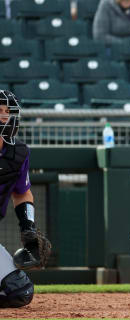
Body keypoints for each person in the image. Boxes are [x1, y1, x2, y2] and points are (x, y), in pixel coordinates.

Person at [0, 90, 51, 308]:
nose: (5, 117)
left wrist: (28, 227)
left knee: (20, 293)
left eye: (8, 112)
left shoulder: (18, 152)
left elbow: (21, 193)